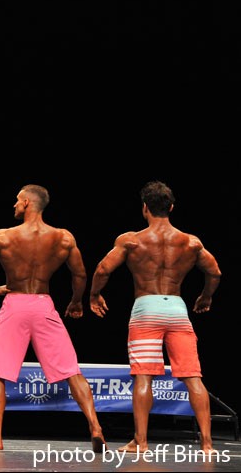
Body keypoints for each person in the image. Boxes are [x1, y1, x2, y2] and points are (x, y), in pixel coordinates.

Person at [0, 184, 105, 451]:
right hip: (44, 305)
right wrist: (76, 301)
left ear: (27, 203)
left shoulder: (3, 237)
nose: (14, 205)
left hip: (15, 305)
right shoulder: (63, 238)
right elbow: (79, 274)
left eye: (17, 200)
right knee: (71, 371)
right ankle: (95, 427)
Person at [90, 180, 222, 454]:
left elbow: (103, 269)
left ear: (144, 208)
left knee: (144, 377)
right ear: (171, 207)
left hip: (146, 310)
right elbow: (215, 273)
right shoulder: (191, 242)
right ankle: (208, 444)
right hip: (177, 310)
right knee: (193, 377)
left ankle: (141, 442)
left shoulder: (131, 240)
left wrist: (94, 295)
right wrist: (206, 296)